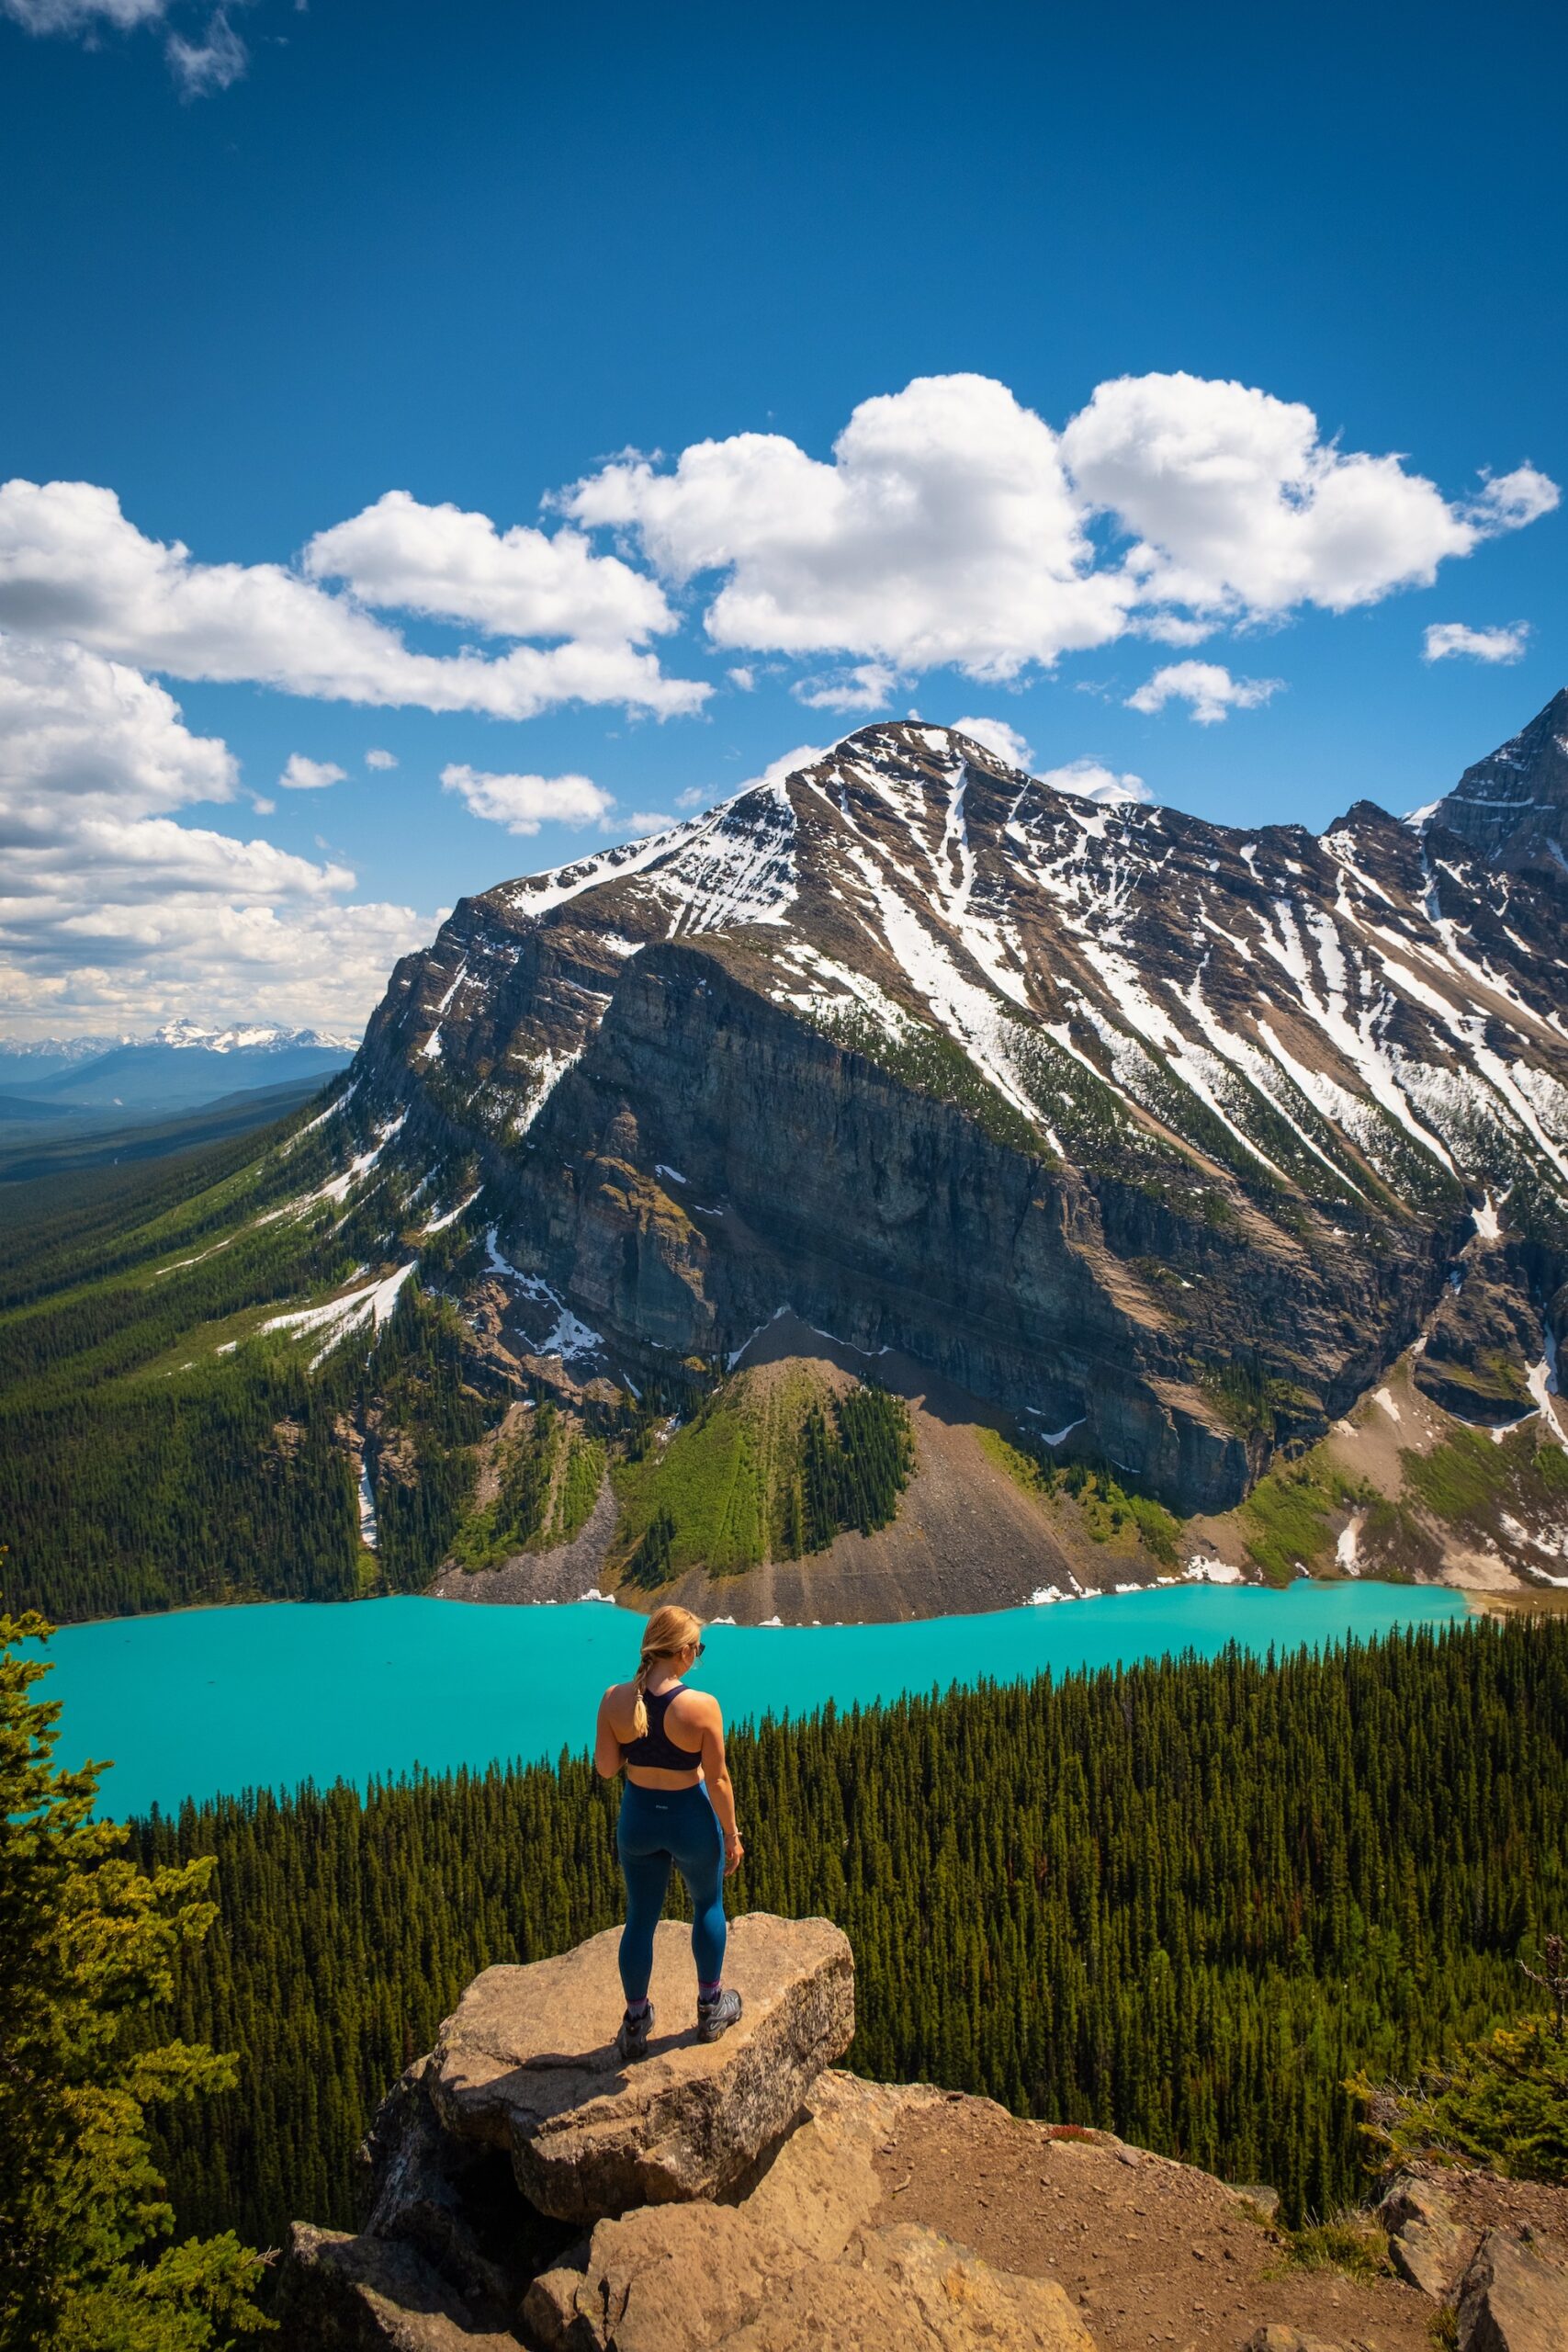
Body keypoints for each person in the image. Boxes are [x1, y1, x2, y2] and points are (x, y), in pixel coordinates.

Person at [594, 1604, 745, 2063]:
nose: (698, 1654)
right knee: (707, 1905)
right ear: (681, 1652)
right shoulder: (701, 1707)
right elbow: (718, 1781)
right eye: (697, 1647)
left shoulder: (614, 1699)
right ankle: (711, 2006)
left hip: (638, 1819)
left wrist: (636, 1740)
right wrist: (732, 1835)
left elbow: (604, 1768)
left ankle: (636, 2022)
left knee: (640, 1918)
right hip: (689, 1820)